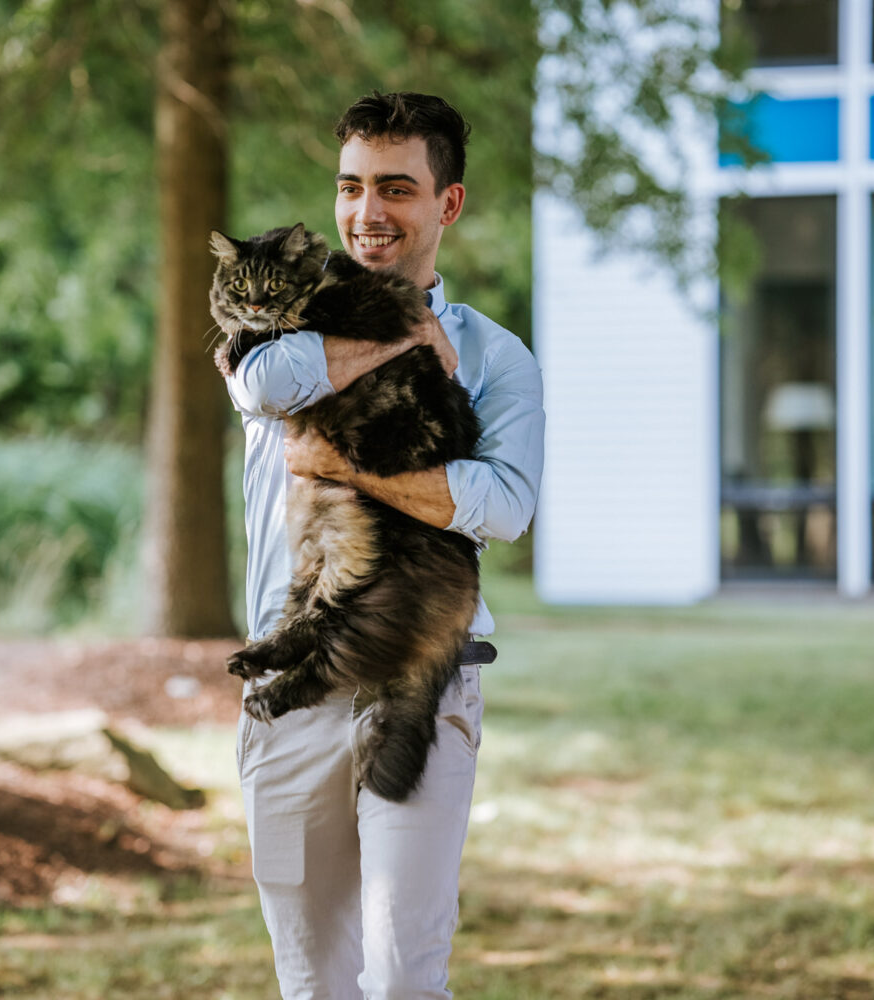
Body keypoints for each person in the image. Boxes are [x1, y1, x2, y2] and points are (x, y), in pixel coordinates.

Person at [222, 91, 545, 1000]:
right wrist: (395, 333)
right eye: (351, 187)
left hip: (426, 670)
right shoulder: (284, 322)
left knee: (403, 975)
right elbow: (262, 383)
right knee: (314, 980)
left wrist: (349, 469)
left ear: (448, 204)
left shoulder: (494, 356)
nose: (367, 214)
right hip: (294, 688)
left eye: (396, 188)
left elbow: (505, 502)